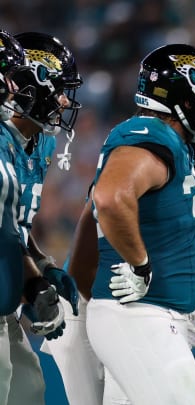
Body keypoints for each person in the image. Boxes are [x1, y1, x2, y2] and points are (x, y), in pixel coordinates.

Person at [85, 43, 195, 405]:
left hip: (148, 318)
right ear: (186, 95)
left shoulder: (172, 143)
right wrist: (139, 263)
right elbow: (110, 198)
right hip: (137, 315)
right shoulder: (151, 134)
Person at [3, 31, 83, 405]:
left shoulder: (41, 141)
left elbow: (13, 220)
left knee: (28, 390)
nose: (66, 100)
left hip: (6, 283)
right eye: (60, 88)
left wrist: (42, 264)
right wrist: (32, 282)